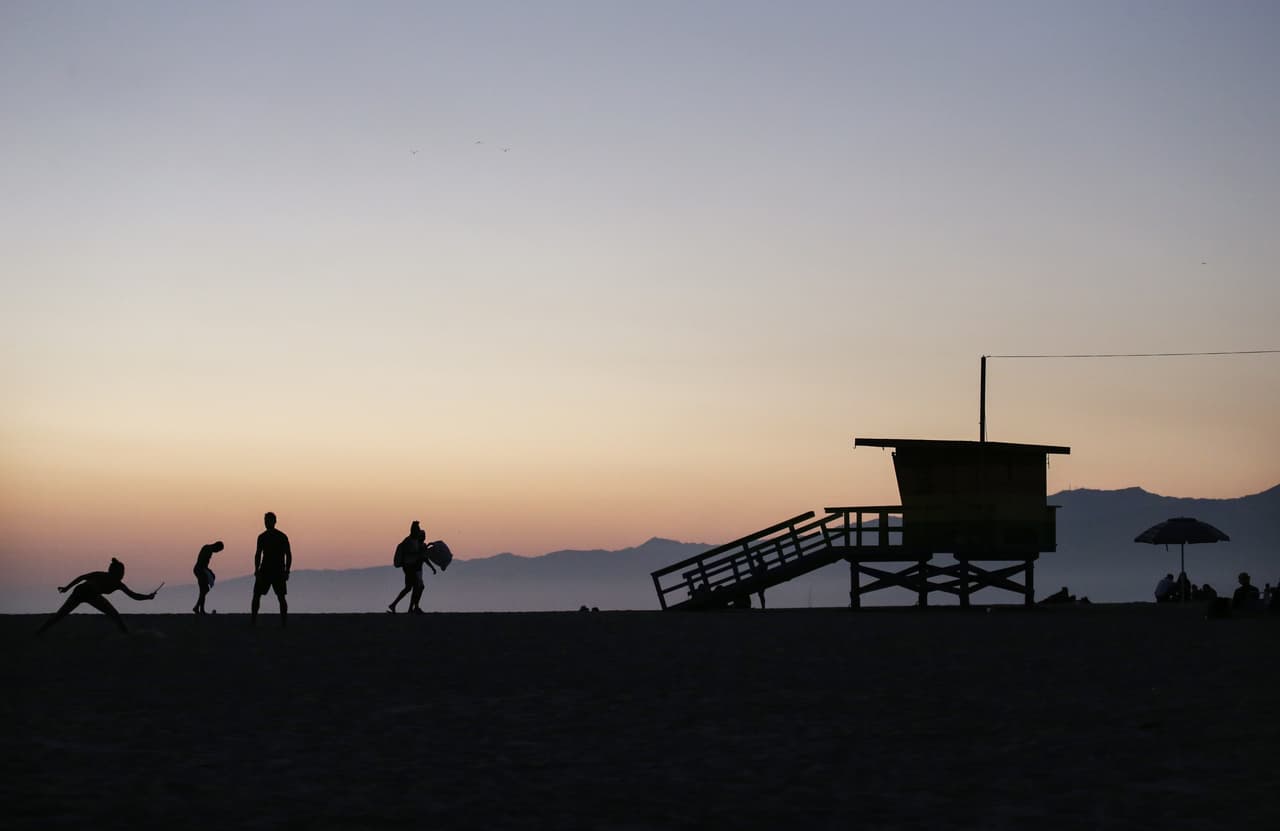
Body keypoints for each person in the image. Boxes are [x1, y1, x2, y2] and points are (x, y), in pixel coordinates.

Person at [36, 557, 157, 635]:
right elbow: (133, 596)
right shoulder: (113, 581)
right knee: (114, 615)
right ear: (118, 572)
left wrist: (67, 588)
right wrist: (148, 597)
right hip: (88, 592)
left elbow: (81, 577)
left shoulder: (110, 579)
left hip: (83, 592)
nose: (123, 574)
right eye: (122, 572)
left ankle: (39, 632)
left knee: (60, 615)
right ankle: (127, 634)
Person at [251, 512, 291, 626]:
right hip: (267, 570)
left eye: (268, 521)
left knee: (280, 597)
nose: (266, 523)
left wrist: (287, 570)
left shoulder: (280, 536)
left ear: (274, 521)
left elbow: (288, 554)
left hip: (275, 570)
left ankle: (284, 622)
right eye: (265, 521)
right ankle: (253, 621)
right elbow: (258, 554)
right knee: (257, 595)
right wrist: (257, 569)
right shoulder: (264, 537)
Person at [193, 540, 224, 615]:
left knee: (204, 590)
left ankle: (199, 608)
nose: (217, 552)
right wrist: (208, 572)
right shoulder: (208, 550)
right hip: (200, 570)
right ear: (216, 546)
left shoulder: (207, 549)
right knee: (204, 589)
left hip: (200, 570)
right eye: (218, 550)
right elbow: (202, 562)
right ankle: (198, 608)